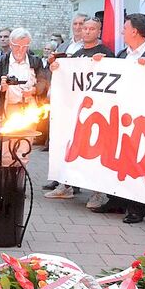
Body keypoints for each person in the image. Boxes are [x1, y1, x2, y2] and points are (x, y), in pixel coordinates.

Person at [89, 13, 145, 224]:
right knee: (119, 159)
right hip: (120, 117)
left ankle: (137, 207)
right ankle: (117, 199)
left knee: (140, 163)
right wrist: (101, 65)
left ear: (134, 32)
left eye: (125, 28)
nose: (122, 31)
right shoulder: (122, 54)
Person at [45, 17, 114, 201]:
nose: (87, 32)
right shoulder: (77, 54)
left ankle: (98, 192)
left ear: (99, 31)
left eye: (92, 29)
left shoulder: (106, 53)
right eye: (85, 29)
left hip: (98, 113)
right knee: (72, 146)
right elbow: (67, 78)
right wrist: (57, 68)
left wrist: (104, 63)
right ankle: (66, 185)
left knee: (95, 151)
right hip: (76, 111)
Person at [0, 27, 41, 123]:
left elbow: (44, 81)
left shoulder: (35, 61)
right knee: (8, 136)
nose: (20, 50)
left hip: (29, 108)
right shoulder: (1, 62)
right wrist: (2, 87)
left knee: (27, 137)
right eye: (17, 46)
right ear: (11, 45)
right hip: (7, 108)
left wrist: (34, 90)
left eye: (24, 46)